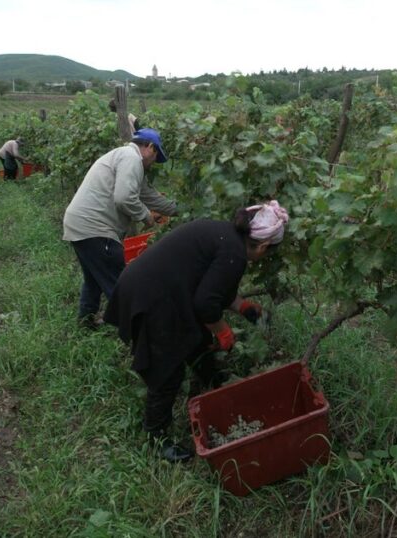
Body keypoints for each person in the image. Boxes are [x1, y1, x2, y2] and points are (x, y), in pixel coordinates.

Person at [103, 201, 289, 462]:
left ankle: (216, 382)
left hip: (147, 285)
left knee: (196, 339)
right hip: (152, 297)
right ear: (262, 246)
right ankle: (156, 436)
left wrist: (242, 306)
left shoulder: (223, 234)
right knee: (167, 369)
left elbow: (209, 284)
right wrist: (224, 332)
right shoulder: (234, 254)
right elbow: (205, 304)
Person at [62, 128, 177, 330]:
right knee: (120, 283)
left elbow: (149, 196)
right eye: (156, 156)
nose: (153, 163)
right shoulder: (131, 158)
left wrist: (179, 210)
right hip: (95, 227)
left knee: (93, 280)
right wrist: (147, 217)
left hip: (80, 224)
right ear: (149, 147)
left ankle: (85, 324)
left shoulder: (127, 160)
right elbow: (124, 198)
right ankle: (138, 331)